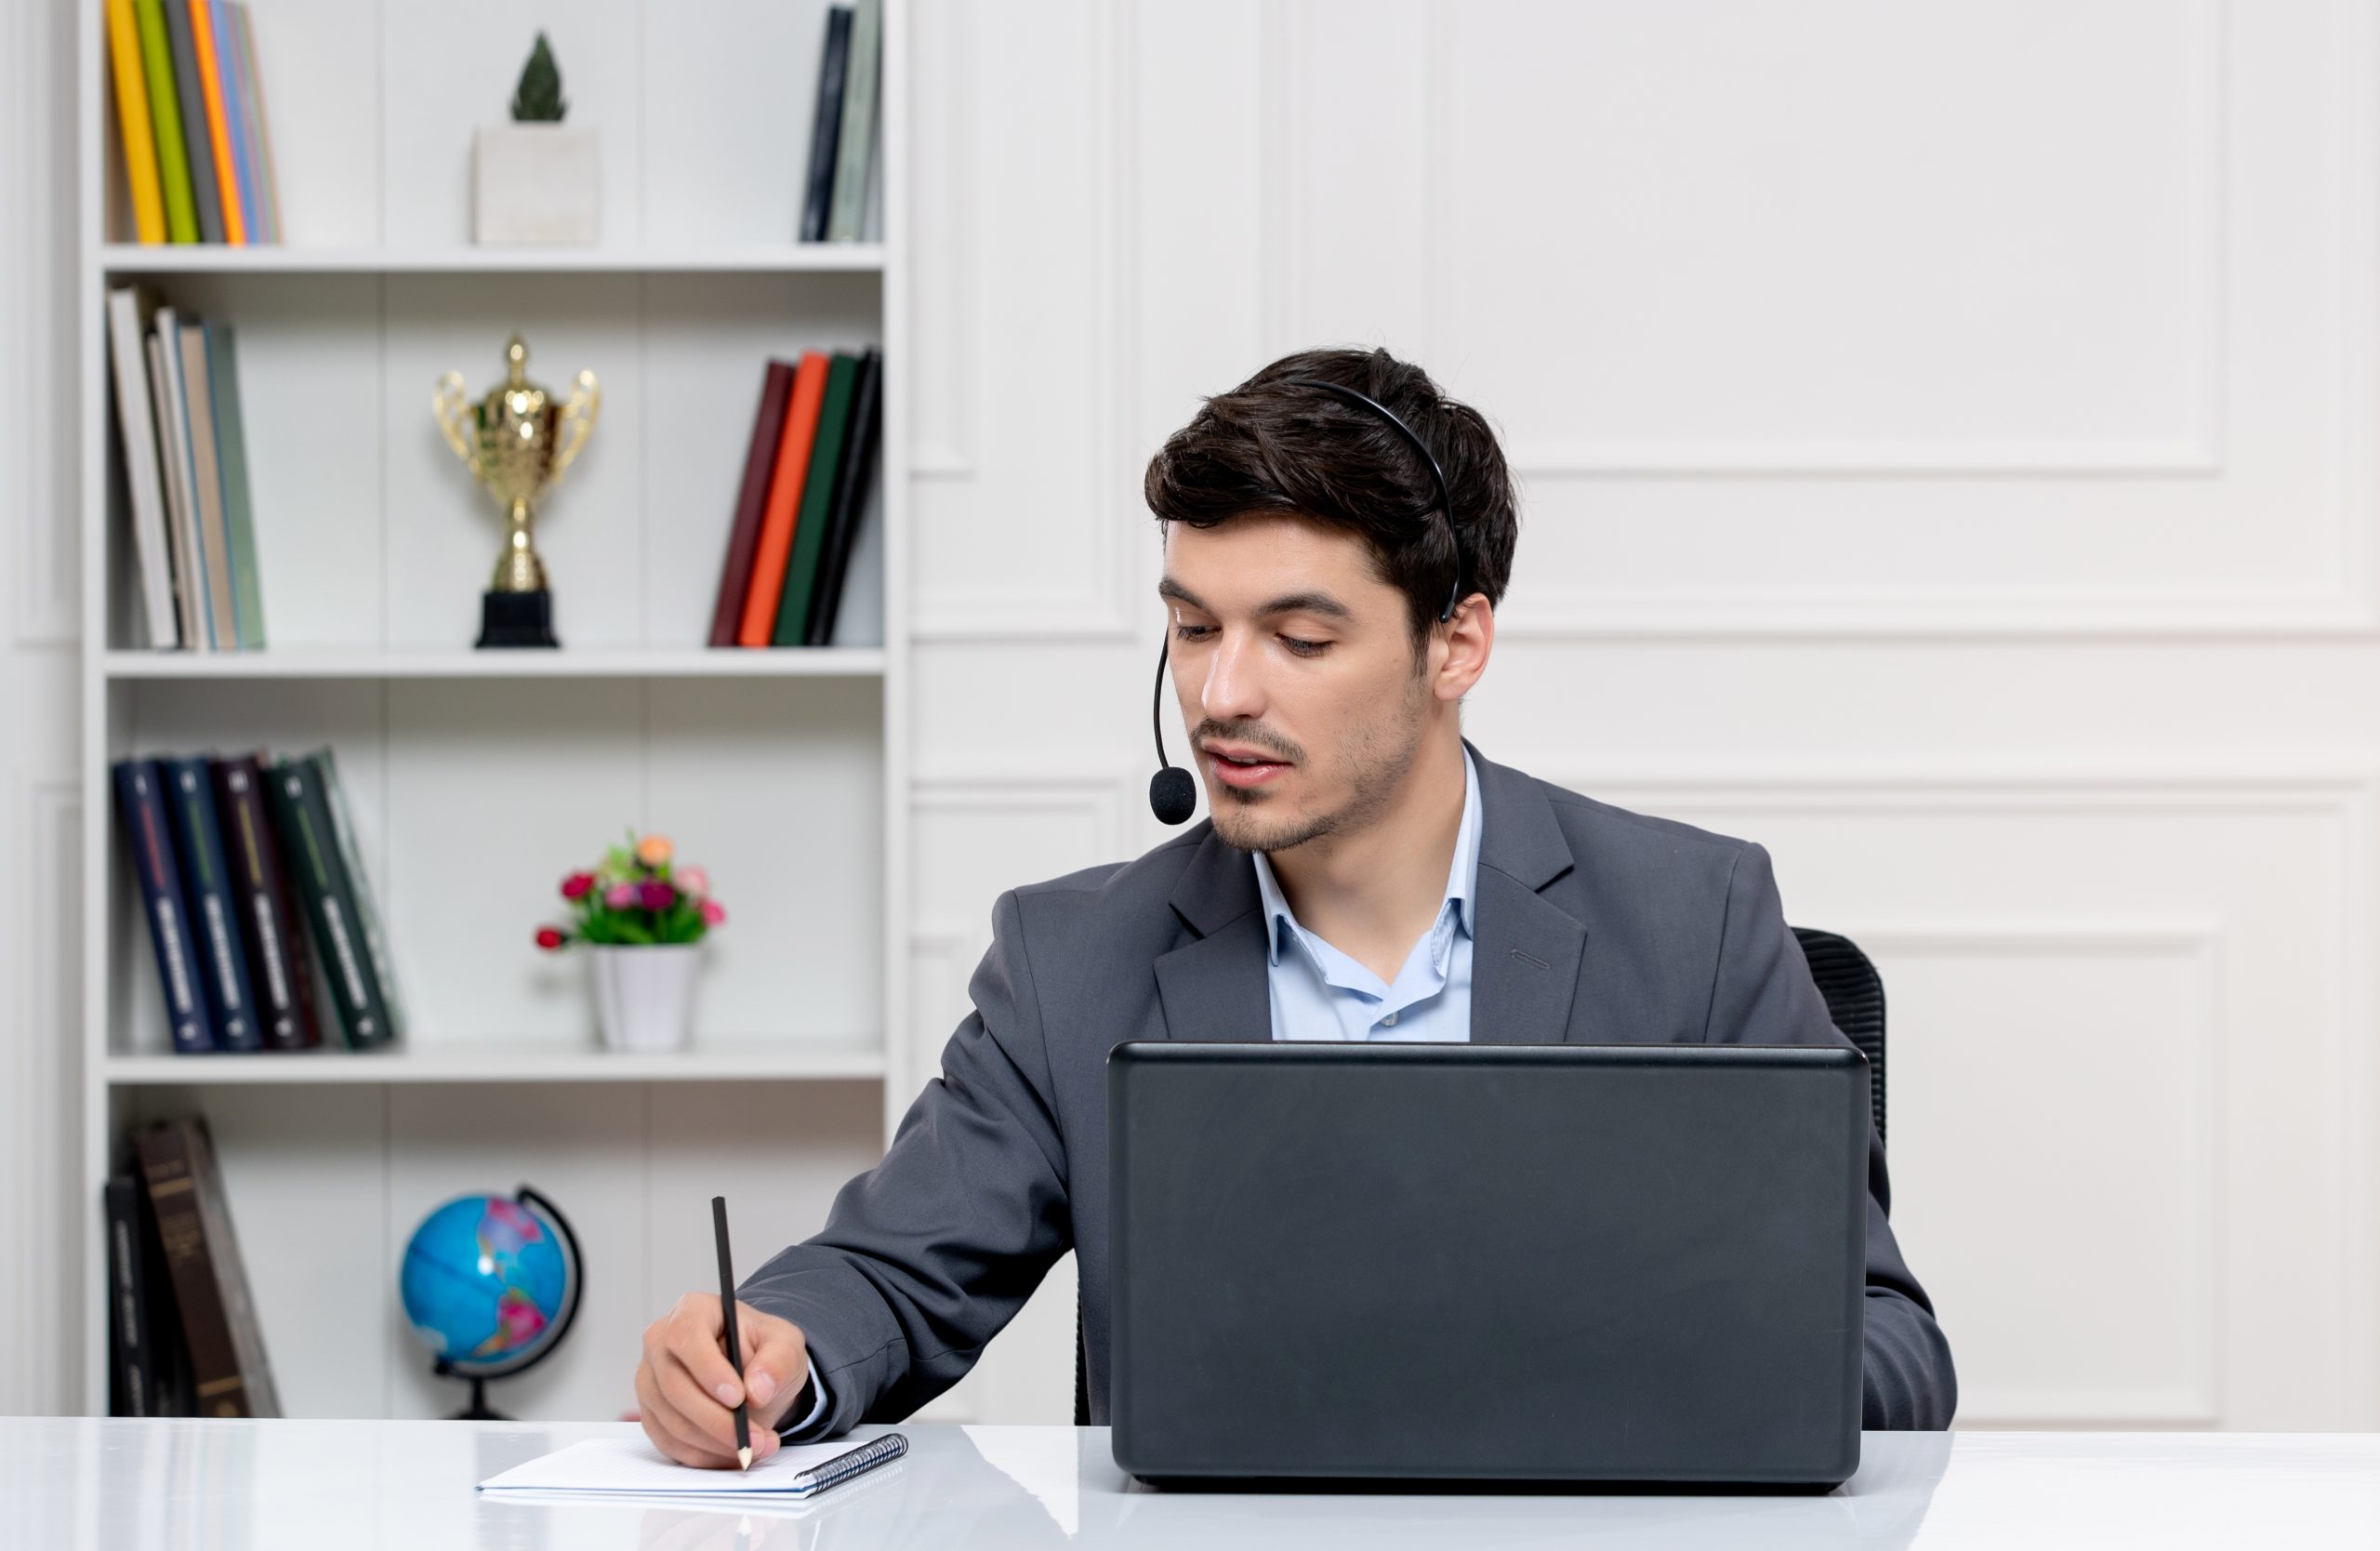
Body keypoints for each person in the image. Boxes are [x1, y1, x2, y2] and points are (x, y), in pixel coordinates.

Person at [633, 347, 1958, 1467]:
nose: (1221, 696)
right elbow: (888, 1273)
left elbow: (1887, 1343)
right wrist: (769, 1354)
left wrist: (1636, 1369)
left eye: (1300, 640)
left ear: (1457, 643)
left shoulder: (1697, 920)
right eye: (1196, 629)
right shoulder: (1072, 958)